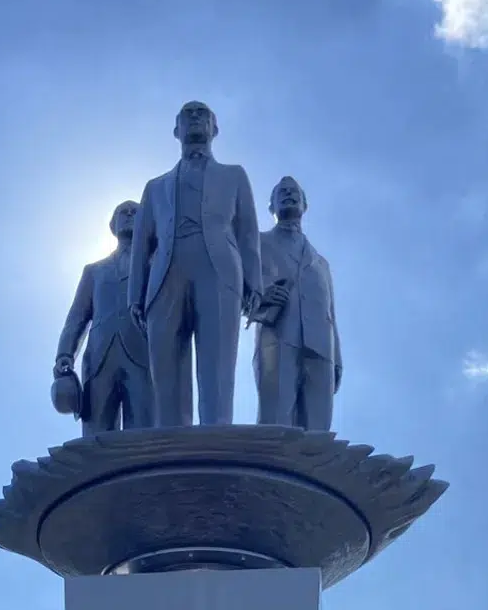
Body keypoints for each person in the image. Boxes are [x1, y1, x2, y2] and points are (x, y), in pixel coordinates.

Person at [127, 101, 263, 427]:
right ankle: (172, 440)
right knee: (165, 370)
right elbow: (142, 244)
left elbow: (247, 231)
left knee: (218, 364)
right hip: (165, 275)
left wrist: (254, 282)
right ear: (176, 130)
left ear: (215, 128)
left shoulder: (234, 175)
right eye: (188, 114)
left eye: (202, 113)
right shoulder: (155, 187)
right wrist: (135, 295)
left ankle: (216, 435)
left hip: (219, 270)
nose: (195, 118)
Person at [55, 200, 153, 434]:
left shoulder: (157, 264)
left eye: (134, 212)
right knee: (95, 434)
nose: (128, 215)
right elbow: (77, 316)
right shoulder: (94, 271)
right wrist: (65, 353)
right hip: (99, 358)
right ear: (113, 225)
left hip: (144, 353)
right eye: (122, 212)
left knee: (143, 433)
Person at [251, 176, 341, 431]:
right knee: (275, 421)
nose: (289, 195)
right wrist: (260, 297)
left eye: (294, 192)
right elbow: (238, 285)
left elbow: (331, 313)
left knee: (319, 429)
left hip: (321, 346)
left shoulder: (321, 263)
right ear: (271, 206)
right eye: (282, 192)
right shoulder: (258, 243)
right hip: (278, 337)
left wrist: (337, 358)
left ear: (304, 204)